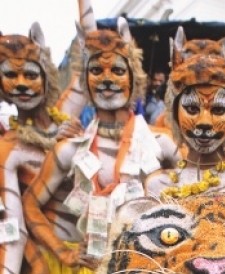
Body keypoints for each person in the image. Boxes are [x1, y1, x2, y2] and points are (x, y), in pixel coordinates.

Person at [22, 9, 180, 272]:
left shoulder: (160, 143)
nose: (107, 79)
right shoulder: (70, 149)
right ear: (85, 80)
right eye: (96, 70)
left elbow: (197, 192)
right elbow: (29, 204)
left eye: (117, 70)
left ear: (133, 78)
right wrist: (65, 253)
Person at [144, 34, 225, 201]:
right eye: (191, 108)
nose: (204, 122)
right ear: (175, 113)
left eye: (218, 109)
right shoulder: (157, 184)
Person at [0, 22, 83, 273]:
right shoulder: (8, 149)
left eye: (31, 75)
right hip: (48, 258)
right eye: (11, 75)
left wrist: (79, 142)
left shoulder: (66, 115)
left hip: (92, 248)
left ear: (46, 75)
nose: (21, 84)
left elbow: (90, 56)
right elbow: (13, 228)